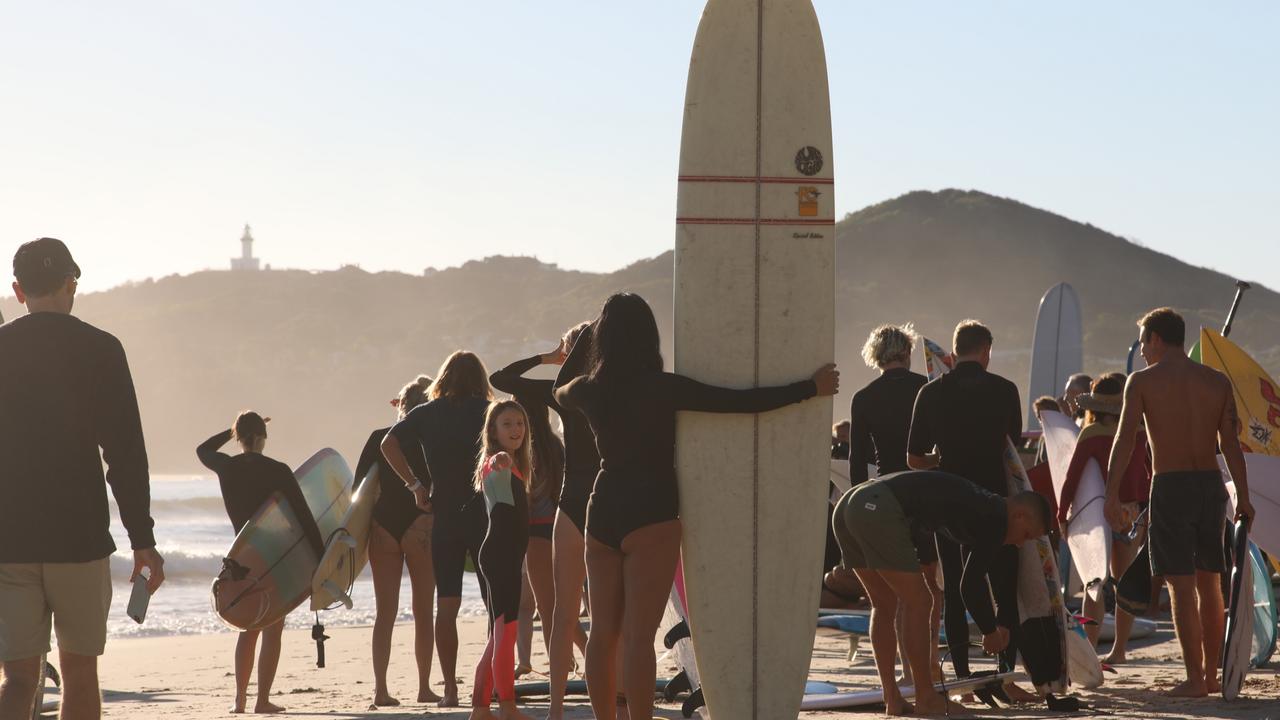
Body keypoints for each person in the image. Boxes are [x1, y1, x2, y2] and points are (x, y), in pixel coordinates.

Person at [554, 293, 839, 720]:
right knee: (637, 636)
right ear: (649, 337)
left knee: (603, 635)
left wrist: (586, 339)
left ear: (604, 337)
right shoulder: (665, 387)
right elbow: (742, 402)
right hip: (651, 513)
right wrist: (809, 389)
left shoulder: (589, 390)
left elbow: (558, 388)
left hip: (603, 511)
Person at [0, 238, 165, 720]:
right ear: (71, 283)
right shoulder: (102, 348)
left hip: (11, 541)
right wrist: (144, 540)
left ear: (18, 290)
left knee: (18, 679)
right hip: (81, 538)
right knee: (80, 672)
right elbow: (127, 454)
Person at [1104, 308, 1252, 697]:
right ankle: (1212, 675)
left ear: (1155, 338)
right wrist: (1245, 497)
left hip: (1170, 486)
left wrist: (1111, 494)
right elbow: (1230, 445)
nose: (1141, 352)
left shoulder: (1141, 382)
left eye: (1142, 343)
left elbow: (1123, 441)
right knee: (1211, 583)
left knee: (1181, 587)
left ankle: (1195, 681)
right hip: (1209, 486)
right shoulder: (1215, 382)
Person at [832, 471, 1052, 716]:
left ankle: (892, 698)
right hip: (878, 506)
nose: (1021, 543)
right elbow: (970, 584)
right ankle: (926, 697)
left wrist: (989, 625)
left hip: (850, 505)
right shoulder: (997, 518)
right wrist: (990, 631)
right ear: (1020, 515)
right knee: (921, 600)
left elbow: (968, 577)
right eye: (1026, 535)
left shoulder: (982, 504)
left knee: (884, 605)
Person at [906, 319, 1028, 696]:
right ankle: (1004, 674)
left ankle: (962, 675)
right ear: (987, 351)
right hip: (995, 502)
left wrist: (939, 462)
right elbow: (1015, 447)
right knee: (1004, 585)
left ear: (954, 353)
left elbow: (912, 458)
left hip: (948, 502)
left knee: (957, 591)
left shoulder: (930, 393)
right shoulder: (1005, 390)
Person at [488, 324, 594, 719]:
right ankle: (595, 665)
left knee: (553, 606)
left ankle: (561, 688)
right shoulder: (556, 435)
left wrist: (547, 359)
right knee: (574, 604)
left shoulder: (548, 396)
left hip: (541, 518)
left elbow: (500, 378)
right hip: (579, 508)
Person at [381, 351, 493, 707]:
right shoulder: (487, 411)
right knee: (495, 604)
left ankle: (450, 690)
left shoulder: (425, 413)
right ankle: (491, 684)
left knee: (447, 606)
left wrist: (415, 486)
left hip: (445, 517)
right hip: (483, 514)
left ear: (443, 378)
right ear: (479, 378)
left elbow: (388, 444)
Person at [198, 412, 324, 714]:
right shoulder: (278, 470)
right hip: (273, 558)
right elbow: (303, 517)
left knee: (247, 628)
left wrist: (231, 432)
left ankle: (239, 699)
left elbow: (202, 450)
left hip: (241, 557)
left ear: (239, 438)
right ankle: (262, 699)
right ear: (263, 437)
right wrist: (321, 559)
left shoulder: (227, 467)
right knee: (273, 627)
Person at [848, 323, 939, 683]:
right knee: (929, 586)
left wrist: (858, 507)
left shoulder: (864, 397)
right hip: (926, 490)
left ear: (875, 356)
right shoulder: (926, 388)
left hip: (885, 495)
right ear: (907, 351)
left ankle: (902, 674)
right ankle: (928, 662)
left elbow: (857, 462)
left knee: (888, 596)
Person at [354, 375, 440, 706]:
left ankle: (381, 690)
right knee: (423, 610)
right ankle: (423, 687)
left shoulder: (380, 437)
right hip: (422, 525)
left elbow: (358, 488)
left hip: (383, 527)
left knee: (385, 613)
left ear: (399, 405)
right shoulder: (432, 438)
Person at [1058, 375, 1152, 660]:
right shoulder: (1139, 431)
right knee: (1125, 584)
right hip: (1131, 512)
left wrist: (1062, 515)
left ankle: (1089, 648)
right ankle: (1119, 650)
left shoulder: (1092, 433)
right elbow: (1149, 473)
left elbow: (1072, 479)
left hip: (1097, 512)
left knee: (1094, 583)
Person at [469, 400, 537, 720]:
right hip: (499, 557)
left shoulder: (515, 466)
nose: (516, 429)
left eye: (519, 423)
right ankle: (507, 707)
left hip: (503, 557)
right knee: (505, 633)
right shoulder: (498, 462)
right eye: (507, 424)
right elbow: (498, 461)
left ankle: (481, 709)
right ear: (493, 432)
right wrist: (500, 459)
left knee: (499, 634)